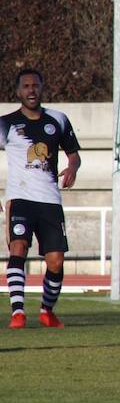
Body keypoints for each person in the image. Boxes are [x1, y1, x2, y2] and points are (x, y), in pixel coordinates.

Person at [2, 69, 81, 329]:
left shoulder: (58, 119)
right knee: (18, 248)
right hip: (20, 198)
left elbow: (73, 154)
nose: (31, 90)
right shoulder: (7, 123)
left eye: (35, 85)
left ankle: (47, 310)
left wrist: (72, 168)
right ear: (18, 92)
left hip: (49, 200)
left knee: (56, 260)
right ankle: (18, 313)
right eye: (25, 86)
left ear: (42, 88)